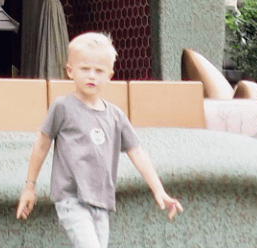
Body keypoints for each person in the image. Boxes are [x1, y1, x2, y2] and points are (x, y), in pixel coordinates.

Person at [16, 32, 182, 248]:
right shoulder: (62, 107)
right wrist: (30, 187)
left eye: (99, 70)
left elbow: (138, 153)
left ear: (110, 75)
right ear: (70, 71)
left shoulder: (116, 116)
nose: (92, 76)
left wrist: (159, 190)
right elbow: (42, 144)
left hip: (102, 202)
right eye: (85, 69)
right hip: (71, 198)